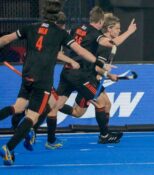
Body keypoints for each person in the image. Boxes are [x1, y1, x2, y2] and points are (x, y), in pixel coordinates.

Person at [0, 0, 108, 166]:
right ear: (58, 17)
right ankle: (9, 147)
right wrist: (98, 62)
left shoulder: (30, 27)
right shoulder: (60, 33)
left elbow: (6, 39)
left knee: (20, 107)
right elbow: (80, 51)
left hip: (27, 74)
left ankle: (29, 134)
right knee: (32, 116)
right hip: (42, 79)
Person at [47, 12, 137, 147]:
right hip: (82, 75)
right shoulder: (97, 37)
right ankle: (104, 135)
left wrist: (109, 75)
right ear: (104, 25)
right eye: (118, 28)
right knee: (101, 103)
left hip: (68, 70)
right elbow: (102, 61)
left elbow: (64, 38)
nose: (119, 31)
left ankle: (49, 136)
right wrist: (129, 32)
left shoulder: (77, 28)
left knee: (57, 105)